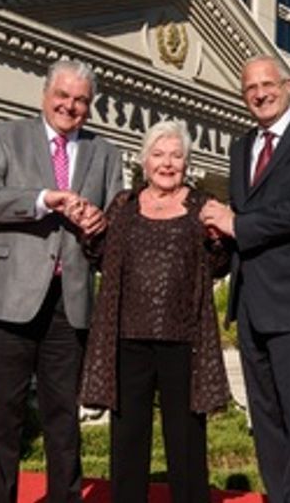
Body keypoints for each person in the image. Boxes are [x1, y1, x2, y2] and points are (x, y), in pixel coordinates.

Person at [0, 59, 123, 503]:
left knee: (63, 417)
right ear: (45, 95)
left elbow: (113, 229)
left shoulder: (105, 153)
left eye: (81, 101)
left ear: (90, 106)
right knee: (2, 415)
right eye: (63, 97)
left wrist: (98, 223)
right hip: (5, 297)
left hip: (68, 303)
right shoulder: (4, 136)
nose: (70, 107)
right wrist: (41, 200)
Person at [201, 55, 290, 503]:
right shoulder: (242, 147)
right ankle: (279, 496)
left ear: (287, 86)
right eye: (250, 88)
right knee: (263, 415)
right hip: (250, 301)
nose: (260, 94)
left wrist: (238, 224)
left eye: (268, 85)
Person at [79, 120, 231, 503]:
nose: (167, 164)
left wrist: (218, 240)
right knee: (128, 437)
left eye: (176, 156)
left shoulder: (201, 206)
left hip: (184, 340)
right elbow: (102, 258)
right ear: (144, 162)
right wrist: (89, 231)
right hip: (128, 338)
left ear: (187, 163)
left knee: (185, 439)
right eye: (159, 155)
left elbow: (218, 265)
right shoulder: (124, 205)